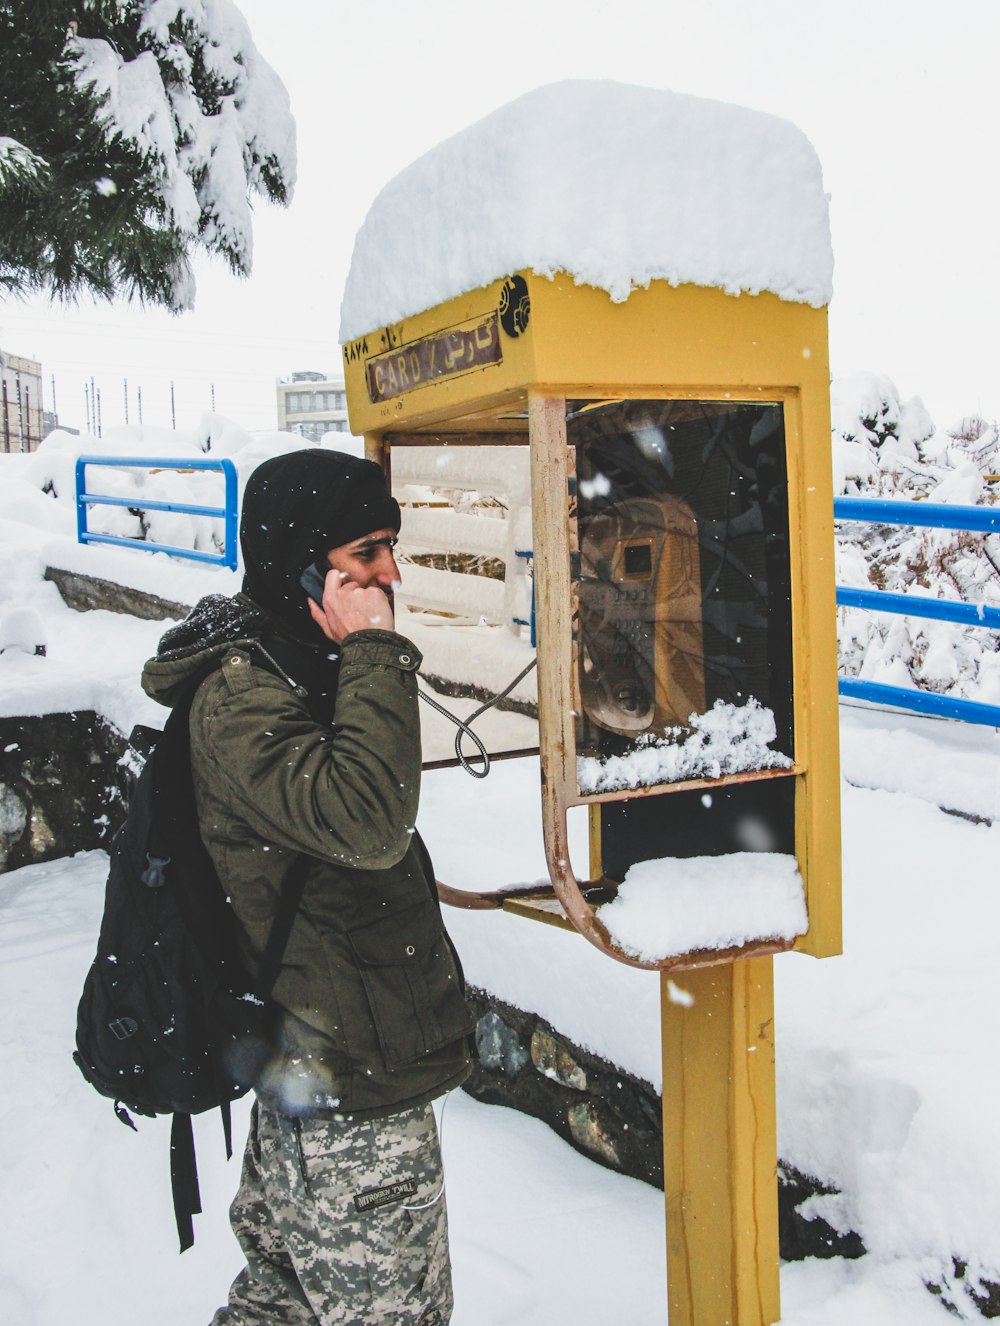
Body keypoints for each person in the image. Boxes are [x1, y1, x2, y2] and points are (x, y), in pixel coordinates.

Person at [141, 448, 473, 1326]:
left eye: (390, 548)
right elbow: (369, 821)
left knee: (280, 1305)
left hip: (326, 1067)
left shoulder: (293, 665)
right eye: (367, 552)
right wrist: (373, 647)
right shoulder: (243, 696)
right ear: (300, 561)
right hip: (346, 1091)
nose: (390, 574)